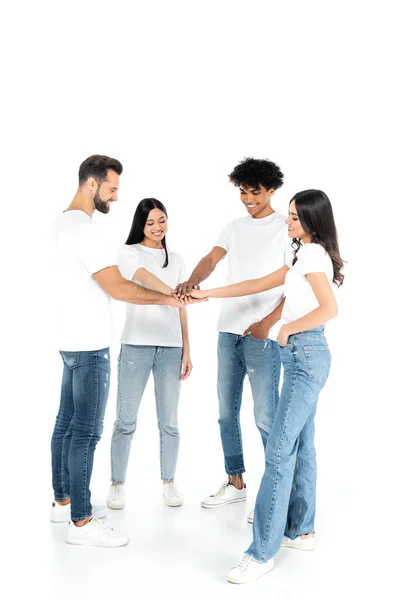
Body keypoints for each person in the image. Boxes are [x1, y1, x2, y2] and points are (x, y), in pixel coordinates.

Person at [191, 189, 344, 583]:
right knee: (301, 447)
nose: (288, 222)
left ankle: (261, 553)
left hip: (303, 355)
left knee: (278, 453)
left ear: (312, 220)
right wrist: (207, 292)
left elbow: (329, 308)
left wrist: (284, 329)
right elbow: (257, 283)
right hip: (308, 356)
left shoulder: (310, 254)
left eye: (295, 217)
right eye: (290, 215)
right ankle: (302, 530)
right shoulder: (303, 254)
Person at [50, 155, 185, 548]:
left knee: (66, 424)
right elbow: (121, 288)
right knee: (87, 433)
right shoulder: (86, 231)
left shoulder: (60, 224)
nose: (116, 196)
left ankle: (63, 502)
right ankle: (81, 521)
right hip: (90, 346)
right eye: (111, 188)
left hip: (68, 341)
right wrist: (170, 302)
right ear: (92, 184)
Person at [176, 157, 291, 513]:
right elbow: (212, 259)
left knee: (266, 418)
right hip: (228, 332)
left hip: (261, 337)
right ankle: (236, 481)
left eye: (254, 192)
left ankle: (274, 494)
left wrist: (267, 324)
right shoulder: (233, 227)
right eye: (242, 192)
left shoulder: (286, 228)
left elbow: (294, 285)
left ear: (271, 190)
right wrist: (193, 281)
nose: (247, 199)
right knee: (227, 413)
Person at [107, 199, 192, 510]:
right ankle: (117, 484)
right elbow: (142, 277)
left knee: (169, 422)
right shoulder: (128, 253)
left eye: (162, 220)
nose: (158, 228)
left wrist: (187, 348)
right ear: (140, 225)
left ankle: (169, 482)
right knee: (125, 421)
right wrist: (171, 294)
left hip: (171, 348)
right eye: (151, 223)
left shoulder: (178, 260)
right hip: (136, 345)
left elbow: (182, 309)